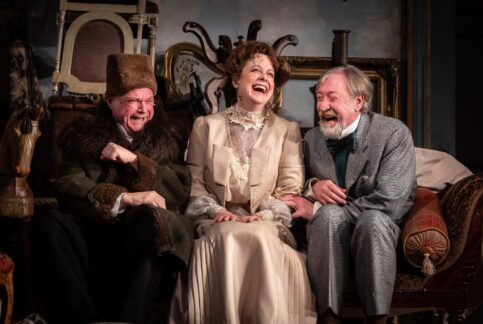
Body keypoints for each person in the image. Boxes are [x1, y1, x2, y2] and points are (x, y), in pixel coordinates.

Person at [30, 53, 194, 324]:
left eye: (148, 100)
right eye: (132, 101)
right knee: (50, 223)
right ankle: (81, 319)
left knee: (152, 217)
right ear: (110, 102)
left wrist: (135, 160)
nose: (143, 108)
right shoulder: (85, 135)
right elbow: (68, 183)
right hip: (91, 240)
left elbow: (179, 188)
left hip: (139, 249)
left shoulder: (167, 138)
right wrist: (122, 197)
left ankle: (127, 319)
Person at [170, 41, 316, 323]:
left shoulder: (287, 131)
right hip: (216, 221)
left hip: (267, 221)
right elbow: (196, 183)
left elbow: (289, 189)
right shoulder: (206, 126)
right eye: (256, 71)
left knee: (258, 235)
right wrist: (216, 212)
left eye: (270, 74)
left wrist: (262, 214)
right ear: (236, 80)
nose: (264, 78)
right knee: (226, 234)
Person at [281, 64, 416, 324]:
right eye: (319, 98)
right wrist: (313, 186)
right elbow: (296, 183)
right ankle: (329, 318)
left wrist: (317, 210)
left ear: (358, 101)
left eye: (332, 97)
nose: (322, 107)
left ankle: (377, 319)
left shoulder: (393, 133)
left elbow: (390, 201)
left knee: (372, 220)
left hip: (376, 235)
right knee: (329, 217)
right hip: (326, 237)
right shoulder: (312, 139)